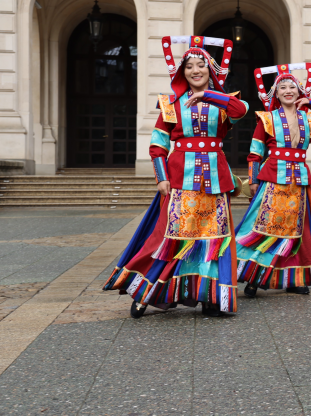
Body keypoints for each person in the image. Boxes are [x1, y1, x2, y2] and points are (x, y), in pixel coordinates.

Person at [104, 35, 248, 318]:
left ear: (211, 70)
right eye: (190, 66)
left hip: (215, 180)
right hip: (180, 176)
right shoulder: (170, 103)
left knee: (213, 239)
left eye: (201, 65)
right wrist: (160, 176)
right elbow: (158, 145)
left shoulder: (223, 102)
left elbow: (240, 111)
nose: (196, 71)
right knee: (172, 237)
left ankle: (209, 296)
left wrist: (208, 94)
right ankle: (147, 292)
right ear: (182, 72)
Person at [234, 63, 311, 296]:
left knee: (298, 231)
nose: (288, 90)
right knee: (265, 228)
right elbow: (255, 153)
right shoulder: (266, 119)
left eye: (293, 87)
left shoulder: (308, 118)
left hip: (298, 180)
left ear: (299, 92)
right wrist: (254, 181)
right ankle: (255, 277)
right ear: (276, 94)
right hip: (271, 179)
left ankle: (296, 278)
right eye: (283, 87)